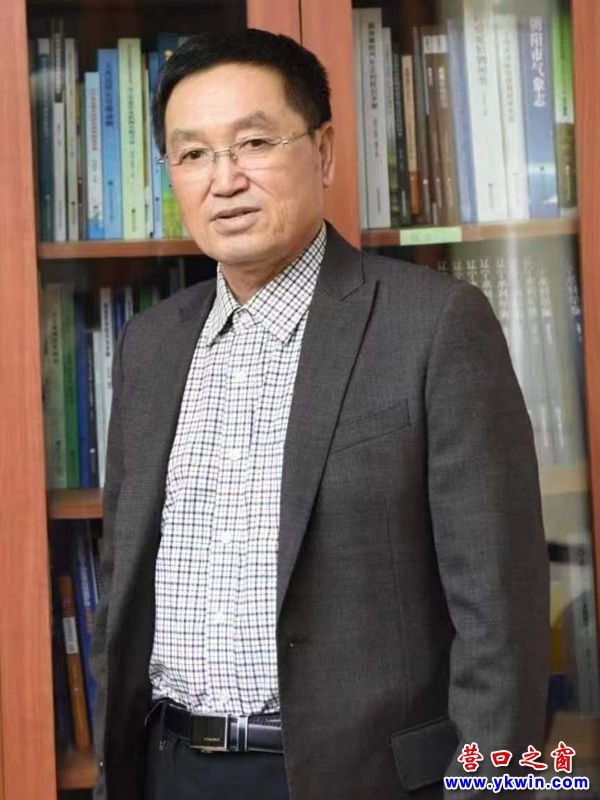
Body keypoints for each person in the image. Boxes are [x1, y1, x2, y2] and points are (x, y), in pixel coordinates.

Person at [90, 28, 549, 800]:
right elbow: (121, 592)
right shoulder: (150, 345)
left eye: (254, 143)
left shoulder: (433, 324)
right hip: (169, 766)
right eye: (193, 154)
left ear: (325, 151)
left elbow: (501, 618)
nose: (224, 180)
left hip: (354, 778)